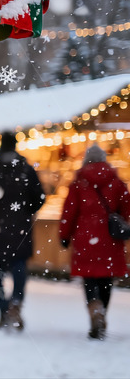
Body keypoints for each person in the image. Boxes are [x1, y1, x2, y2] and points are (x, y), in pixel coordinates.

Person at [0, 132, 45, 331]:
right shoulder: (26, 169)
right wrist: (25, 212)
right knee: (19, 267)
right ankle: (16, 304)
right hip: (20, 229)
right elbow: (39, 197)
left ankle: (3, 309)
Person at [59, 145, 130, 340]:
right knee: (106, 279)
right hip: (109, 239)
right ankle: (102, 311)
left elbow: (69, 212)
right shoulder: (116, 182)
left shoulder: (79, 184)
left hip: (85, 239)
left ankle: (94, 307)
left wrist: (64, 235)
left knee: (89, 279)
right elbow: (126, 208)